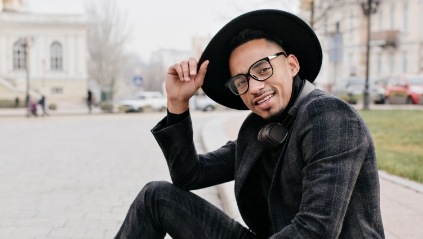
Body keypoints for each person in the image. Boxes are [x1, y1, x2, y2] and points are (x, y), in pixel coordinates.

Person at [115, 9, 384, 238]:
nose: (254, 87)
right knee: (157, 198)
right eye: (242, 81)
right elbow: (190, 175)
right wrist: (178, 104)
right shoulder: (257, 128)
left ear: (291, 65)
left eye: (263, 69)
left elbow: (317, 230)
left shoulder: (329, 116)